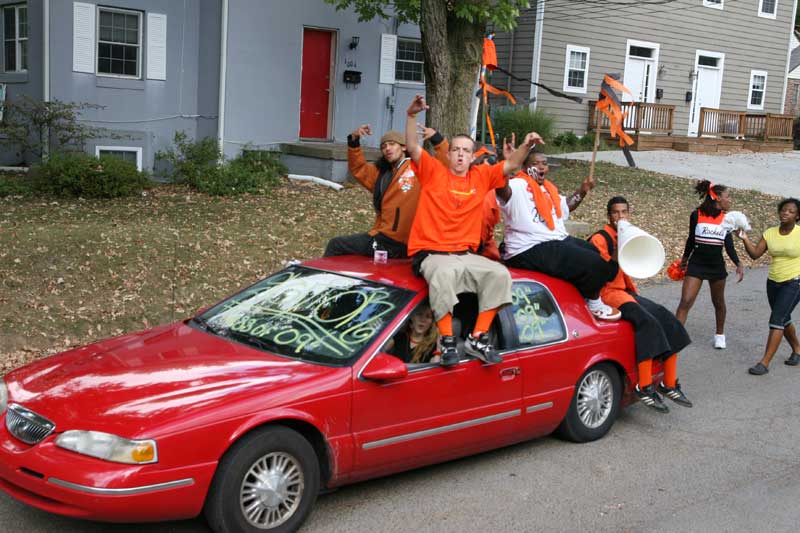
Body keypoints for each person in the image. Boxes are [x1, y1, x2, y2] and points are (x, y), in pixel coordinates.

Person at [404, 94, 542, 366]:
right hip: (432, 253)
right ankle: (446, 342)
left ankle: (478, 337)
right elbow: (412, 147)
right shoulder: (434, 171)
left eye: (466, 150)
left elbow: (512, 165)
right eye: (455, 149)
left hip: (465, 254)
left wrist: (526, 145)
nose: (460, 154)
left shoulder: (481, 176)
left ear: (472, 156)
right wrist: (411, 116)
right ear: (448, 153)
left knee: (499, 274)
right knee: (444, 275)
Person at [589, 197, 693, 412]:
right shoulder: (599, 239)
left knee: (668, 319)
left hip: (625, 291)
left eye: (624, 212)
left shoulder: (627, 233)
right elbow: (600, 272)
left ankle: (669, 383)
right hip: (608, 293)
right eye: (616, 213)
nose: (620, 217)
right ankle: (644, 385)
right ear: (609, 216)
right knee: (646, 322)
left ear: (629, 213)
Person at [497, 150, 621, 321]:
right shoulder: (517, 185)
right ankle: (594, 302)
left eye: (544, 163)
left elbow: (566, 207)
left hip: (555, 239)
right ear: (525, 168)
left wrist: (582, 190)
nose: (541, 167)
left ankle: (586, 294)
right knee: (593, 264)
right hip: (528, 248)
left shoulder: (547, 189)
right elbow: (501, 188)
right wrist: (504, 163)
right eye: (535, 164)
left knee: (595, 253)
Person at [323, 124, 447, 258]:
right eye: (383, 146)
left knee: (336, 245)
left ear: (404, 147)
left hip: (401, 241)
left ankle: (320, 277)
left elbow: (444, 164)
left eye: (392, 144)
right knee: (339, 246)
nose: (387, 148)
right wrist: (354, 141)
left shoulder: (418, 169)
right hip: (383, 237)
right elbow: (359, 169)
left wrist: (437, 140)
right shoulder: (383, 174)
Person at [675, 180, 744, 349]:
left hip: (716, 266)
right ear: (718, 198)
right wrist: (684, 260)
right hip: (697, 264)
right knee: (685, 301)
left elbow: (728, 244)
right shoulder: (696, 214)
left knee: (718, 302)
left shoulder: (727, 219)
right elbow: (691, 239)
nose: (730, 200)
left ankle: (720, 335)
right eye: (728, 196)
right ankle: (674, 336)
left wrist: (738, 263)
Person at [736, 198, 800, 375]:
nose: (786, 213)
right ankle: (797, 349)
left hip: (795, 282)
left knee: (776, 320)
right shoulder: (770, 233)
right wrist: (745, 239)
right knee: (783, 318)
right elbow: (755, 254)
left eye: (791, 211)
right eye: (784, 210)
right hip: (773, 282)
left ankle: (764, 363)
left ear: (797, 216)